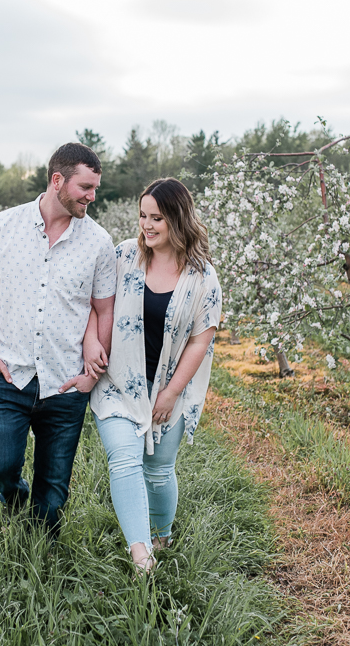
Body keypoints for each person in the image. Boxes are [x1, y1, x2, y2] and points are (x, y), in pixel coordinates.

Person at [0, 142, 116, 537]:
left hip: (66, 382)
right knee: (0, 465)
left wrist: (90, 375)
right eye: (85, 187)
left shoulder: (99, 242)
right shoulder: (5, 226)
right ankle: (14, 503)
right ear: (57, 180)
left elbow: (104, 310)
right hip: (8, 374)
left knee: (52, 495)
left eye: (96, 188)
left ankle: (40, 559)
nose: (92, 196)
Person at [86, 178, 222, 573]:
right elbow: (96, 304)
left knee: (159, 471)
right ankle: (141, 555)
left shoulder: (202, 278)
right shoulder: (124, 256)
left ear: (178, 220)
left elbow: (200, 341)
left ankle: (161, 536)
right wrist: (91, 341)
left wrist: (170, 392)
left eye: (157, 218)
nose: (146, 225)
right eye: (143, 215)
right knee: (125, 462)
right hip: (117, 384)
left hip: (169, 390)